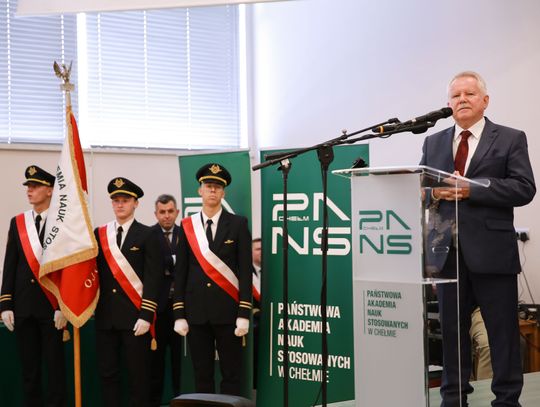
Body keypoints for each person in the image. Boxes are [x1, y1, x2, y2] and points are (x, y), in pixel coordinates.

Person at [420, 71, 535, 406]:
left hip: (492, 253)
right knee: (452, 334)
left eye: (469, 94)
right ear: (448, 103)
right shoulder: (433, 142)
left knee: (502, 334)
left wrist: (472, 189)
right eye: (456, 95)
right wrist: (434, 192)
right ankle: (454, 398)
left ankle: (507, 400)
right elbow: (421, 187)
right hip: (446, 254)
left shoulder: (510, 138)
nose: (462, 100)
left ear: (485, 101)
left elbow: (524, 188)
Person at [173, 163, 253, 396]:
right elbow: (181, 273)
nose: (212, 190)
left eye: (217, 187)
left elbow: (245, 271)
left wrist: (243, 313)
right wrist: (179, 314)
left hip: (228, 312)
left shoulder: (238, 224)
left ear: (223, 193)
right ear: (200, 190)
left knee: (231, 373)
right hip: (196, 313)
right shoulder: (187, 226)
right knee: (202, 374)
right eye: (208, 186)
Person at [0, 165, 68, 406]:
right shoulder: (18, 223)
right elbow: (10, 264)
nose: (29, 190)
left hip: (51, 307)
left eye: (35, 186)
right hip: (24, 305)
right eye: (28, 186)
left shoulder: (63, 223)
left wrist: (62, 306)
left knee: (55, 369)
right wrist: (5, 303)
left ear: (49, 190)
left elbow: (68, 269)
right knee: (30, 371)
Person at [94, 177, 161, 407]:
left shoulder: (148, 234)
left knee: (138, 376)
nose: (120, 204)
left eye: (125, 200)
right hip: (106, 317)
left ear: (135, 203)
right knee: (108, 374)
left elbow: (153, 278)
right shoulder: (100, 234)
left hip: (135, 317)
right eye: (116, 200)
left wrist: (146, 315)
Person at [149, 194, 182, 405]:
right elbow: (153, 266)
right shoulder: (148, 235)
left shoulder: (186, 234)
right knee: (155, 362)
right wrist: (173, 261)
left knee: (180, 362)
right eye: (162, 212)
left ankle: (180, 401)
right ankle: (154, 402)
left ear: (177, 212)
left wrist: (166, 263)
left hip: (181, 309)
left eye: (170, 211)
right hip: (157, 309)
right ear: (156, 214)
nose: (166, 216)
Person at [251, 237, 262, 389]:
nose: (262, 252)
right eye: (258, 249)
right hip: (254, 327)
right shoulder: (245, 272)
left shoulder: (273, 270)